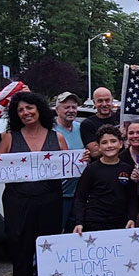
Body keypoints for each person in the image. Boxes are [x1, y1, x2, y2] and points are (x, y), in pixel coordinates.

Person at [0, 91, 68, 276]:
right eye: (20, 110)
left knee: (49, 250)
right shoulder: (9, 137)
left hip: (50, 200)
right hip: (18, 202)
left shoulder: (56, 138)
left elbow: (69, 166)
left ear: (39, 109)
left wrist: (83, 159)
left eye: (29, 108)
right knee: (21, 250)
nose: (26, 112)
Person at [73, 124, 139, 276]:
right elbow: (80, 197)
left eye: (113, 141)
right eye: (104, 142)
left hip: (119, 223)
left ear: (121, 143)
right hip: (95, 223)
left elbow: (132, 198)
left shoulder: (127, 170)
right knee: (96, 267)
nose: (109, 145)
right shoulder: (92, 170)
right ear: (98, 147)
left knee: (116, 264)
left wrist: (131, 217)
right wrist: (79, 222)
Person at [53, 91, 85, 232]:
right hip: (58, 194)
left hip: (79, 193)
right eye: (66, 107)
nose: (71, 110)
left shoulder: (81, 128)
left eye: (74, 107)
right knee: (56, 231)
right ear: (57, 110)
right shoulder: (49, 130)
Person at [80, 87, 119, 160]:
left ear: (112, 100)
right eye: (100, 101)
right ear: (94, 102)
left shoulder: (120, 118)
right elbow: (94, 152)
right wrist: (121, 139)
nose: (104, 104)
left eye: (107, 100)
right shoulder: (87, 124)